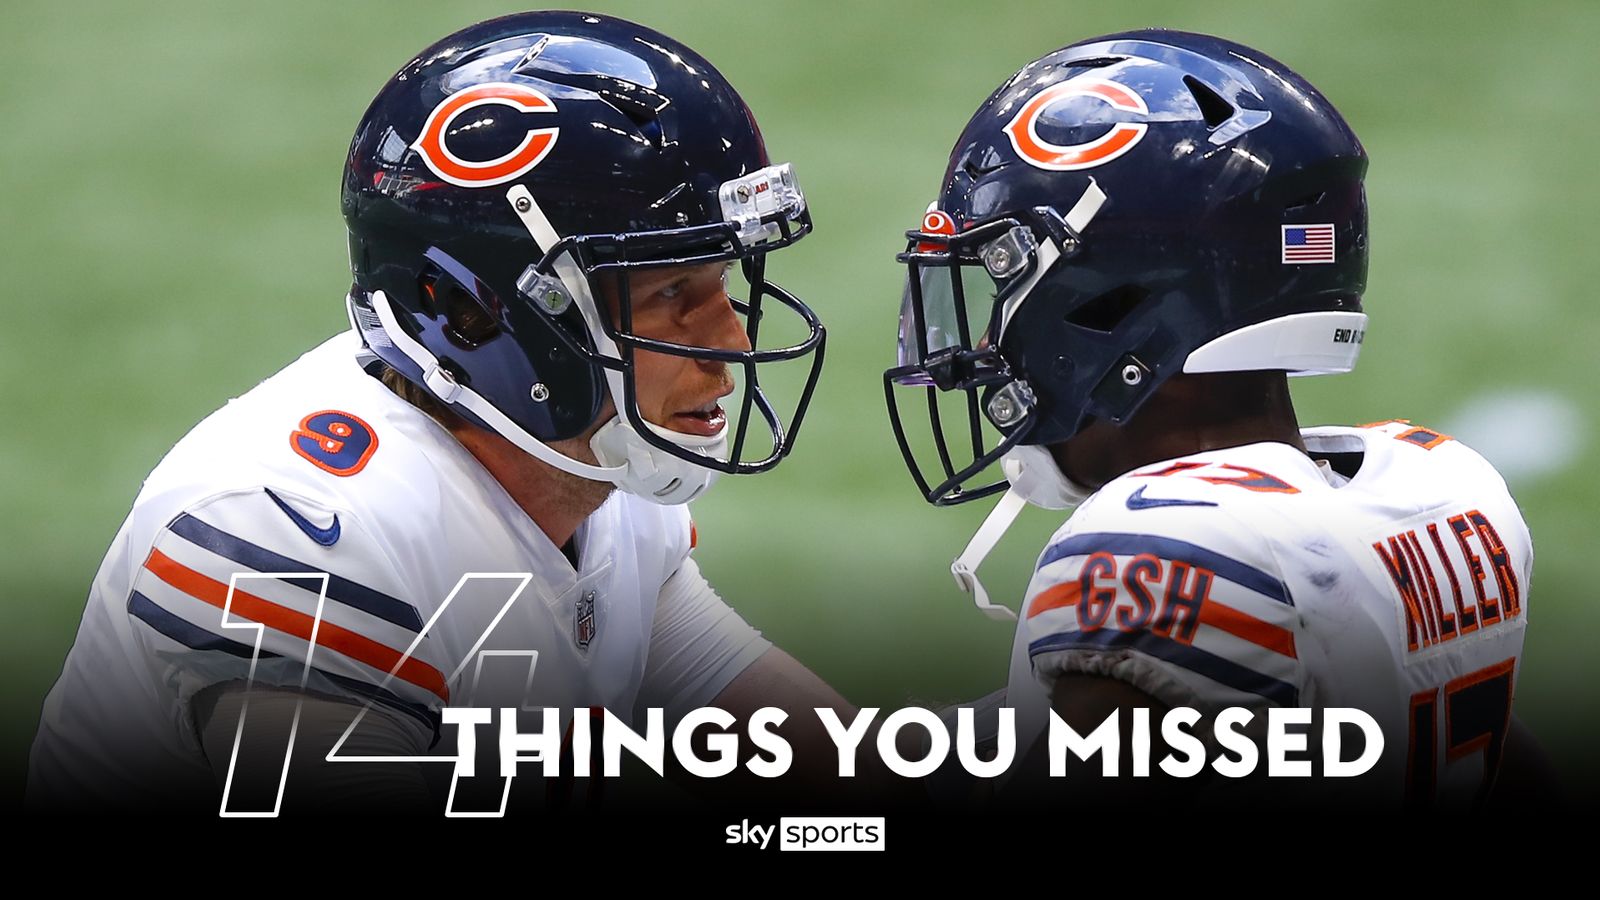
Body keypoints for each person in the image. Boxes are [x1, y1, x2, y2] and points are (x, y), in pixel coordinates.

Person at [27, 11, 853, 816]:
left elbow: (737, 714)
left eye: (719, 282)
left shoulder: (596, 459)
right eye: (672, 294)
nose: (731, 339)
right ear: (473, 311)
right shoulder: (293, 535)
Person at [885, 29, 1554, 810]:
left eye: (1003, 274)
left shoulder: (1166, 546)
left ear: (1110, 306)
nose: (984, 341)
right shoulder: (1435, 487)